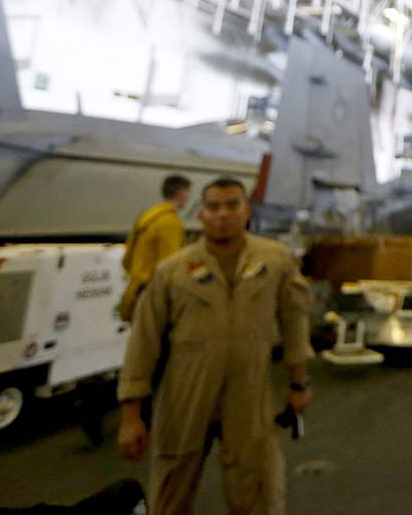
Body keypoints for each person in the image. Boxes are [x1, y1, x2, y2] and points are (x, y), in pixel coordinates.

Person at [117, 177, 312, 515]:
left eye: (233, 205)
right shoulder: (172, 272)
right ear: (202, 215)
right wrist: (131, 416)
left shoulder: (276, 262)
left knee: (257, 488)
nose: (223, 214)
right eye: (214, 207)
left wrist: (299, 383)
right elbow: (143, 343)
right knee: (170, 489)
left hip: (249, 392)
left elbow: (295, 323)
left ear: (246, 211)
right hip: (185, 393)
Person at [118, 175, 191, 322]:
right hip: (154, 298)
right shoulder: (170, 222)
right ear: (181, 193)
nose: (188, 197)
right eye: (188, 192)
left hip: (135, 293)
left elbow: (127, 260)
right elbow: (171, 268)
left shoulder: (146, 217)